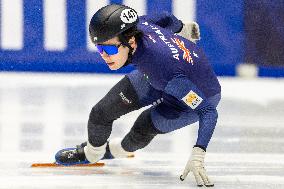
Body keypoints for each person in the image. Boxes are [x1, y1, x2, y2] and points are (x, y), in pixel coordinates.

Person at [55, 4, 221, 187]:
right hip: (160, 73)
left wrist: (199, 152)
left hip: (195, 93)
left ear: (131, 42)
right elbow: (166, 18)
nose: (104, 56)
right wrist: (183, 29)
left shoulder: (163, 69)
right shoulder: (139, 24)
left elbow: (208, 111)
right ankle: (92, 154)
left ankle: (117, 150)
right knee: (101, 112)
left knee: (143, 127)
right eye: (99, 49)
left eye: (110, 50)